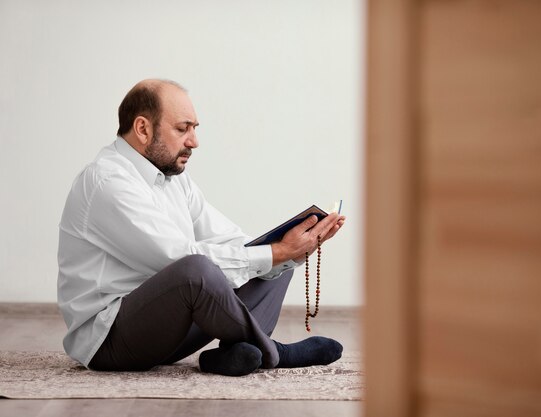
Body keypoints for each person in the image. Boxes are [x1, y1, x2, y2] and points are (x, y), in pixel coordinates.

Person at [57, 79, 346, 376]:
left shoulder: (173, 177)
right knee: (198, 268)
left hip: (168, 334)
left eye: (194, 128)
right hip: (111, 341)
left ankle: (233, 356)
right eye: (182, 129)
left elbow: (227, 238)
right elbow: (177, 259)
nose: (194, 141)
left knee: (268, 253)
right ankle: (273, 352)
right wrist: (274, 253)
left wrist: (292, 248)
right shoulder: (108, 181)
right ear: (143, 129)